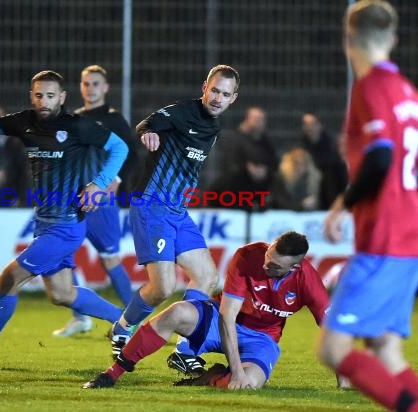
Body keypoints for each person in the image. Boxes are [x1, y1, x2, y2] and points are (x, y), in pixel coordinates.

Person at [0, 70, 129, 362]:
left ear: (62, 97)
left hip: (66, 226)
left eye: (51, 95)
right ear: (32, 95)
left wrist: (98, 184)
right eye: (39, 95)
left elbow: (120, 147)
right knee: (62, 294)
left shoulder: (77, 126)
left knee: (8, 279)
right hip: (45, 223)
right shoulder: (24, 122)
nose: (44, 101)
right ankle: (124, 323)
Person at [318, 2, 418, 411]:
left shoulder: (370, 86)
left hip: (383, 240)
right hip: (408, 239)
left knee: (334, 350)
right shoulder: (407, 91)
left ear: (347, 39)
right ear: (392, 39)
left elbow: (380, 156)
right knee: (385, 349)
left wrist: (343, 203)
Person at [83, 231, 336, 389]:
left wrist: (343, 382)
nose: (265, 264)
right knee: (176, 312)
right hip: (220, 320)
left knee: (248, 386)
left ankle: (211, 377)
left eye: (274, 266)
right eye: (267, 256)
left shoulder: (308, 281)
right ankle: (112, 374)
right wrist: (235, 370)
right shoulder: (247, 256)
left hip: (262, 338)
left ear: (293, 268)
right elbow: (227, 316)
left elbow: (331, 331)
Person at [107, 65, 239, 362]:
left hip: (177, 211)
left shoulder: (214, 129)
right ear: (205, 86)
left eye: (225, 94)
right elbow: (146, 124)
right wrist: (149, 134)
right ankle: (123, 328)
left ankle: (184, 350)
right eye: (215, 90)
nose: (218, 98)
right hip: (151, 205)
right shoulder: (182, 112)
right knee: (163, 286)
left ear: (233, 98)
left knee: (207, 277)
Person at [52, 65, 134, 337]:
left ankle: (134, 319)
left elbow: (131, 156)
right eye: (86, 84)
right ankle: (80, 318)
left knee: (110, 259)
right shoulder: (75, 119)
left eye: (96, 83)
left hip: (102, 202)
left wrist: (116, 182)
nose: (91, 88)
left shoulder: (114, 120)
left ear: (106, 87)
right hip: (74, 200)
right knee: (62, 254)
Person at [299, 112, 348, 209]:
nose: (310, 128)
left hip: (329, 191)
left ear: (320, 125)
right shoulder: (300, 148)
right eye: (307, 125)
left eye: (313, 124)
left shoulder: (331, 147)